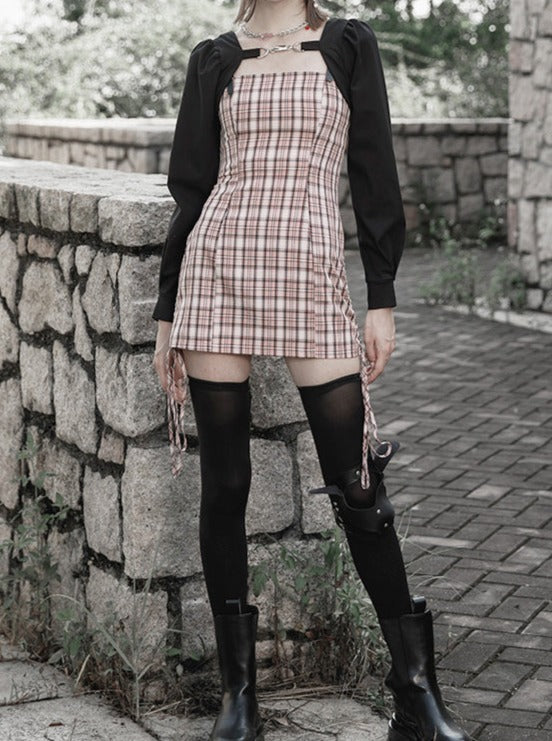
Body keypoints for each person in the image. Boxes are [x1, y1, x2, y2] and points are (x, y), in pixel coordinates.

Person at [152, 1, 471, 740]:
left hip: (309, 272)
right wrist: (168, 314)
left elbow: (374, 168)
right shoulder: (215, 57)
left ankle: (415, 693)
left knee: (358, 484)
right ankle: (239, 698)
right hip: (218, 267)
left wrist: (382, 298)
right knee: (225, 484)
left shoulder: (348, 44)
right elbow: (191, 190)